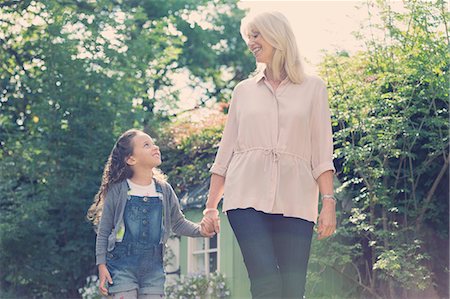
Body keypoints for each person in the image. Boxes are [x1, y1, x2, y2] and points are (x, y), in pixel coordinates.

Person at [201, 11, 337, 299]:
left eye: (256, 35)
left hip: (297, 199)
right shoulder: (243, 91)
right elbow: (226, 151)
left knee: (292, 289)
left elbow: (322, 151)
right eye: (249, 36)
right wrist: (211, 207)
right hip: (245, 196)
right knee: (266, 284)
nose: (251, 42)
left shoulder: (314, 88)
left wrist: (328, 203)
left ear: (277, 35)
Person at [87, 129, 215, 299]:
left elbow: (178, 223)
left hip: (153, 267)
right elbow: (104, 231)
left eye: (153, 143)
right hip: (121, 265)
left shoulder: (164, 190)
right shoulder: (118, 190)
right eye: (146, 145)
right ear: (131, 159)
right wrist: (101, 264)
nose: (155, 147)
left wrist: (200, 230)